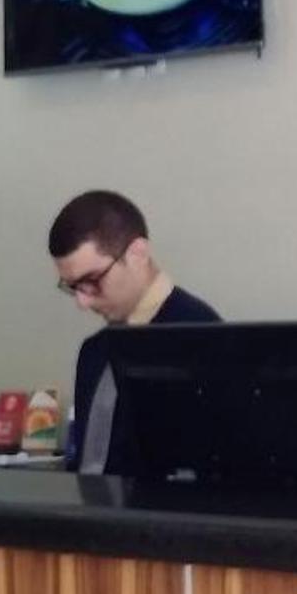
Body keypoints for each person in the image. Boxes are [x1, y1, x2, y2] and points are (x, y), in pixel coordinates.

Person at [47, 190, 219, 471]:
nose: (82, 302)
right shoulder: (94, 351)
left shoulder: (202, 338)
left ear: (138, 253)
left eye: (92, 280)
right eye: (73, 287)